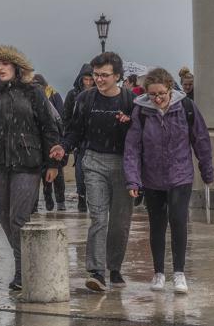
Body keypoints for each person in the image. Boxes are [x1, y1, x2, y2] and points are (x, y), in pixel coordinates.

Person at [0, 45, 60, 290]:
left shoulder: (33, 92)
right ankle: (29, 260)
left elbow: (49, 127)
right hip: (0, 162)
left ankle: (23, 273)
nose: (1, 68)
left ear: (17, 67)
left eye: (5, 64)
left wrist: (53, 163)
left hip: (28, 162)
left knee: (18, 218)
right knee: (3, 216)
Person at [50, 52, 135, 292]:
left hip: (123, 164)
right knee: (98, 218)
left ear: (117, 76)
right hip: (93, 161)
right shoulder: (86, 100)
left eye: (104, 75)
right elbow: (75, 131)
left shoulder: (129, 100)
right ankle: (96, 271)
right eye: (96, 75)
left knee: (120, 222)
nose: (98, 79)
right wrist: (63, 147)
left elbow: (138, 136)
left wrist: (128, 123)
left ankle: (115, 267)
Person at [124, 68, 213, 294]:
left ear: (170, 89)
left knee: (178, 219)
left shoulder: (186, 108)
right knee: (157, 224)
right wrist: (133, 180)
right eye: (153, 95)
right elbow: (133, 148)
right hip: (152, 178)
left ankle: (179, 273)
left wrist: (207, 171)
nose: (158, 99)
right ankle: (159, 273)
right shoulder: (142, 112)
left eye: (161, 93)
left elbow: (200, 139)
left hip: (180, 174)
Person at [32, 73, 66, 211]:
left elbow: (59, 118)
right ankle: (45, 199)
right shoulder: (31, 97)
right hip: (37, 142)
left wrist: (60, 141)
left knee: (56, 172)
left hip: (52, 139)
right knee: (39, 173)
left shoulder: (53, 96)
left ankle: (60, 201)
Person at [63, 63, 94, 212]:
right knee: (80, 172)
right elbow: (66, 117)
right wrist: (70, 138)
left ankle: (94, 201)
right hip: (79, 140)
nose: (87, 83)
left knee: (94, 174)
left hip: (95, 139)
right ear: (81, 80)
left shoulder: (99, 94)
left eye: (90, 79)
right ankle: (81, 197)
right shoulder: (72, 95)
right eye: (85, 79)